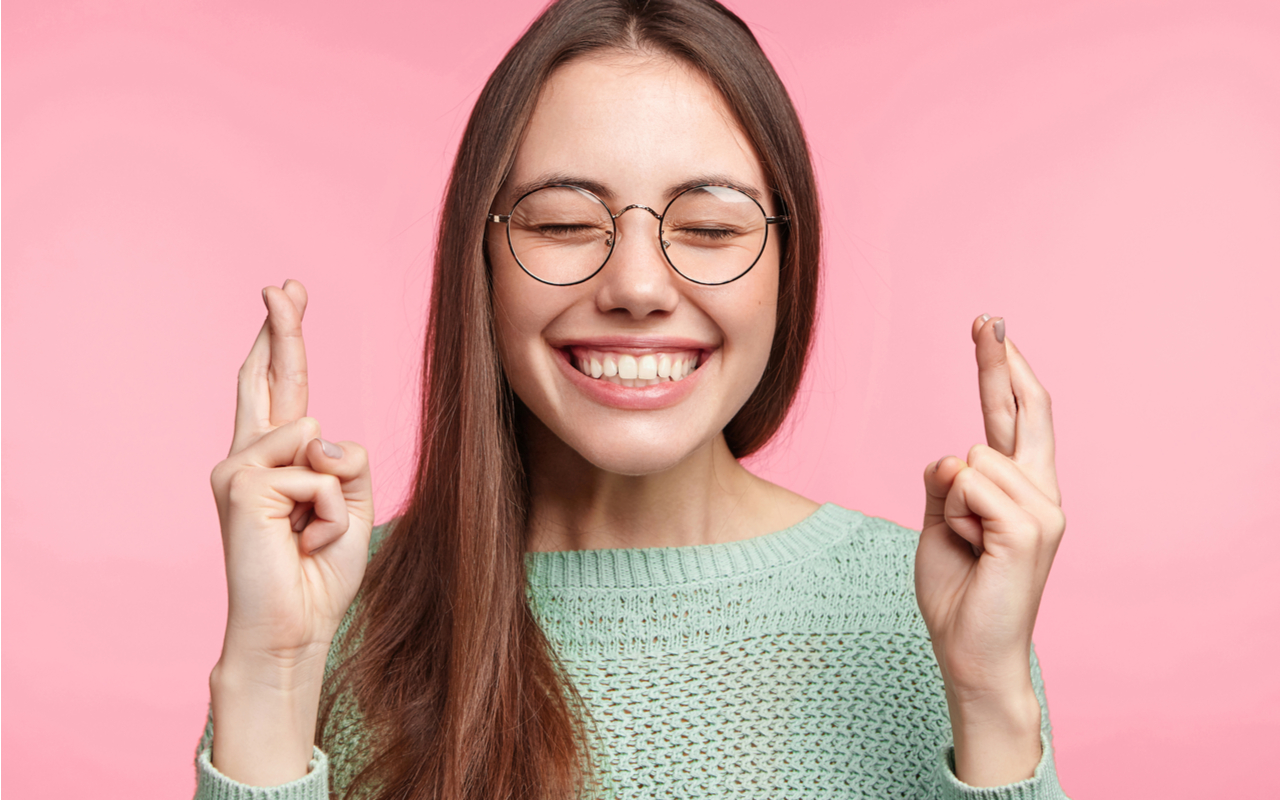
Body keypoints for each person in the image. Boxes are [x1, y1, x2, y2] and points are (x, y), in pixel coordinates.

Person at [195, 1, 1069, 798]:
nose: (640, 285)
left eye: (713, 227)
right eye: (565, 222)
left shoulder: (934, 614)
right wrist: (274, 670)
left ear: (785, 266)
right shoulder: (333, 617)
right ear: (483, 262)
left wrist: (989, 691)